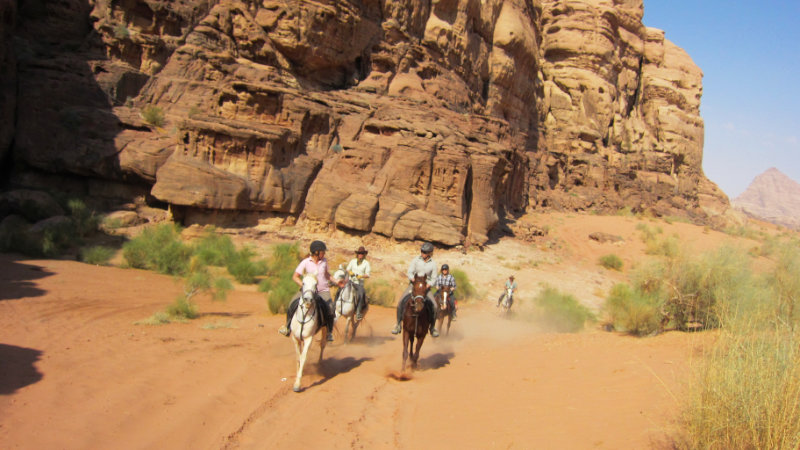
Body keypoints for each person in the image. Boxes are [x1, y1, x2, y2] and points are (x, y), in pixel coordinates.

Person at [278, 240, 336, 341]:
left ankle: (329, 333)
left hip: (323, 290)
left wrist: (336, 281)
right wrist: (305, 286)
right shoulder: (305, 262)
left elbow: (327, 274)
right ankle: (287, 328)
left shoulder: (324, 262)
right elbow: (295, 277)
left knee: (331, 308)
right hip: (307, 291)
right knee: (292, 303)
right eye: (323, 251)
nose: (324, 253)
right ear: (316, 252)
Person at [390, 242, 439, 337]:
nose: (422, 253)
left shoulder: (433, 264)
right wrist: (412, 279)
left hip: (425, 288)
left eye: (425, 252)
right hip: (413, 285)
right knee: (400, 302)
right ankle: (398, 324)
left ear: (429, 253)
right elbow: (410, 272)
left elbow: (434, 278)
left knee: (435, 306)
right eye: (422, 251)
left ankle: (432, 327)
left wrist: (428, 285)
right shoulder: (416, 260)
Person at [345, 246, 371, 320]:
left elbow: (368, 274)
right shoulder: (353, 261)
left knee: (360, 294)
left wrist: (361, 276)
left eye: (362, 254)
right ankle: (335, 306)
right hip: (350, 281)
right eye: (359, 253)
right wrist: (350, 272)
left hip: (359, 284)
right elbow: (347, 269)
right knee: (341, 290)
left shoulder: (366, 263)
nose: (360, 255)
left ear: (364, 255)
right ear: (357, 254)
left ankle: (358, 312)